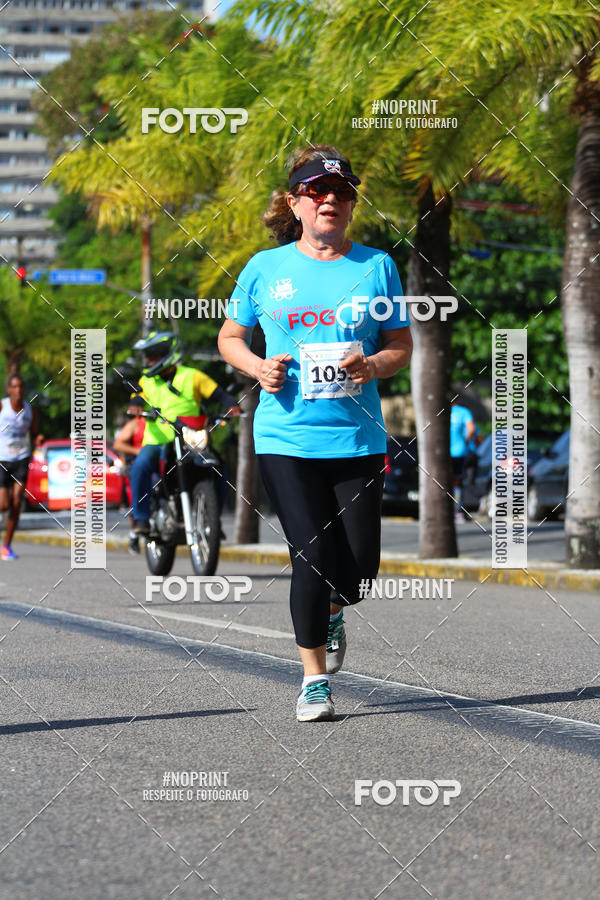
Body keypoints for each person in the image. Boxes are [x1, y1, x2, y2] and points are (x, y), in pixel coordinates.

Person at [218, 144, 412, 722]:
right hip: (286, 437)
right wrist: (258, 367)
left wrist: (371, 365)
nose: (330, 200)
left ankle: (334, 610)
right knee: (311, 552)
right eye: (317, 192)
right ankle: (314, 680)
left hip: (356, 440)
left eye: (342, 193)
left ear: (352, 206)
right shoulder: (265, 268)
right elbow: (231, 337)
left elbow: (400, 346)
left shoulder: (376, 267)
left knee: (356, 575)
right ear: (295, 203)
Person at [129, 331, 241, 534]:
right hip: (158, 440)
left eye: (152, 354)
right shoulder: (146, 381)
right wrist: (136, 406)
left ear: (166, 353)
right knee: (140, 466)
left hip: (191, 439)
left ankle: (212, 520)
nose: (148, 360)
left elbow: (221, 395)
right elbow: (137, 398)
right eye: (146, 355)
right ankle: (141, 518)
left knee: (219, 467)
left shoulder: (192, 376)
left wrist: (232, 406)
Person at [0, 374, 43, 560]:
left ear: (24, 389)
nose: (17, 390)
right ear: (9, 389)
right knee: (4, 505)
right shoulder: (2, 406)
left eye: (20, 387)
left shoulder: (30, 410)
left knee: (17, 502)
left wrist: (38, 438)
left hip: (21, 459)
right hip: (2, 459)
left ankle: (6, 546)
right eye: (14, 387)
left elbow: (34, 433)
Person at [113, 395, 146, 554]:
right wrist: (137, 451)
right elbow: (118, 444)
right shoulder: (134, 425)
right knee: (137, 498)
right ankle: (135, 534)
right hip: (135, 466)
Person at [450, 398, 475, 520]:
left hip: (442, 453)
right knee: (458, 481)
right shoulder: (464, 412)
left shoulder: (441, 410)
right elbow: (471, 429)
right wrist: (465, 442)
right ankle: (458, 510)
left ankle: (450, 508)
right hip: (459, 451)